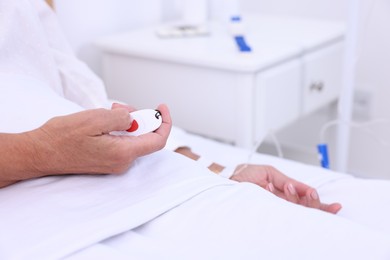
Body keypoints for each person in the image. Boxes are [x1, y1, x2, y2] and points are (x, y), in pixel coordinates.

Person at [1, 1, 390, 259]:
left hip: (162, 184)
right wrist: (42, 151)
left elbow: (80, 95)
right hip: (45, 219)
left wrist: (217, 169)